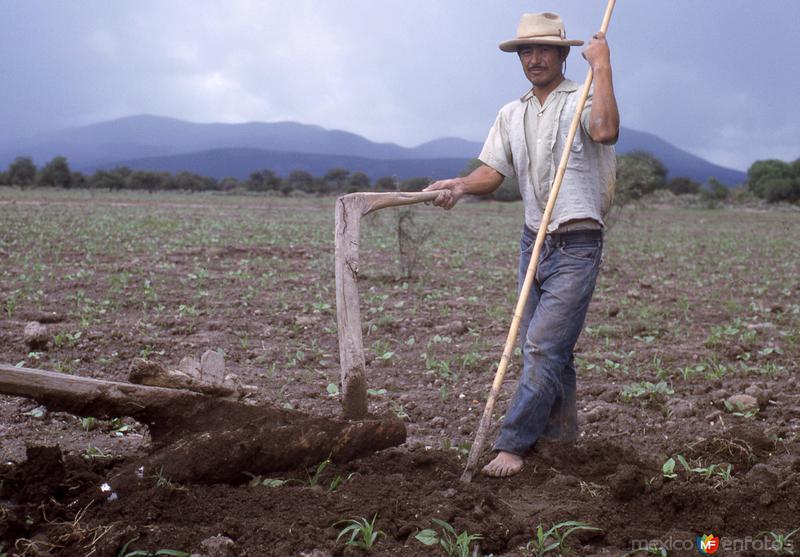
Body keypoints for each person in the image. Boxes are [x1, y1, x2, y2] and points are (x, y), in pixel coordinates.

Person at [423, 12, 619, 478]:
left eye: (543, 50)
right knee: (556, 350)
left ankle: (512, 445)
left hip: (577, 242)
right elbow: (493, 172)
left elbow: (607, 132)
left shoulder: (587, 92)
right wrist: (460, 185)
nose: (533, 59)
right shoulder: (512, 113)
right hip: (535, 242)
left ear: (563, 54)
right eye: (525, 52)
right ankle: (561, 439)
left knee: (542, 348)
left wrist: (605, 65)